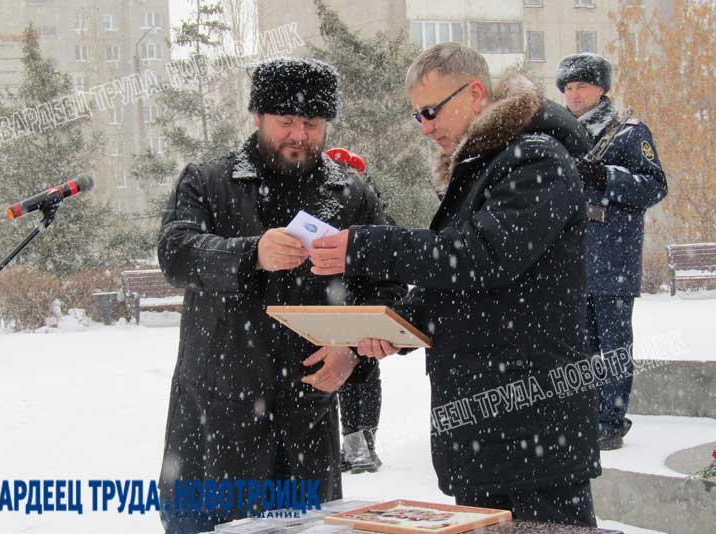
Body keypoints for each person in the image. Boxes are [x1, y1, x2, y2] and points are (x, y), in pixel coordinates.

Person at [310, 43, 601, 526]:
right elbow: (458, 283)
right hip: (486, 430)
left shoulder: (535, 160)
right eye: (416, 116)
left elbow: (480, 258)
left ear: (477, 93)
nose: (424, 127)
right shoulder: (484, 165)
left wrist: (364, 245)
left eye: (431, 111)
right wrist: (388, 330)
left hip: (533, 427)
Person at [156, 57, 404, 533]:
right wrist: (251, 253)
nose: (298, 135)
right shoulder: (209, 181)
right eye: (285, 121)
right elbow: (176, 252)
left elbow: (387, 286)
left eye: (311, 123)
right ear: (257, 118)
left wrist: (352, 351)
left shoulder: (350, 193)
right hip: (215, 419)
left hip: (305, 425)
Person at [557, 53, 668, 450]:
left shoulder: (627, 132)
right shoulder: (561, 135)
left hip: (612, 257)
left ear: (601, 88)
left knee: (614, 346)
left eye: (581, 86)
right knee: (578, 347)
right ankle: (584, 415)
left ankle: (611, 419)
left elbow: (654, 185)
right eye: (568, 88)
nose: (574, 94)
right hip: (571, 260)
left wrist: (607, 176)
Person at [326, 148, 383, 474]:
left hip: (364, 300)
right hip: (340, 302)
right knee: (349, 377)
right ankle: (355, 442)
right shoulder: (329, 206)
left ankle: (364, 443)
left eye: (349, 169)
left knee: (365, 372)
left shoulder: (370, 206)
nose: (345, 175)